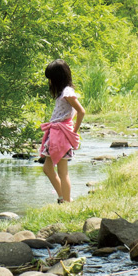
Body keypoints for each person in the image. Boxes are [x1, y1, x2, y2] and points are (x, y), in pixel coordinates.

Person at [39, 59, 85, 203]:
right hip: (56, 134)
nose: (50, 82)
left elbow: (81, 111)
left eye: (51, 78)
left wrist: (73, 132)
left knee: (62, 171)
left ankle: (66, 202)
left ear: (58, 78)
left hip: (61, 135)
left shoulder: (67, 92)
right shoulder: (63, 92)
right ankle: (63, 198)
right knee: (47, 168)